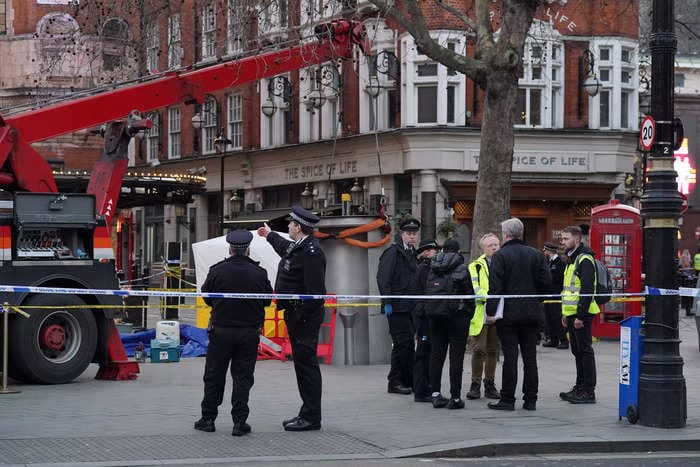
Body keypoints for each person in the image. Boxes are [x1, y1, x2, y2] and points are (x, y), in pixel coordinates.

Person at [195, 229, 273, 436]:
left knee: (214, 375)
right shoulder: (260, 273)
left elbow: (207, 297)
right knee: (243, 377)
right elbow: (267, 301)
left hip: (221, 332)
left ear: (229, 248)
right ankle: (239, 422)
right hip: (248, 333)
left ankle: (208, 419)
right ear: (248, 249)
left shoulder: (217, 270)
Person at [257, 206, 326, 431]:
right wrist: (269, 235)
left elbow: (316, 292)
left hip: (303, 316)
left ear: (298, 227)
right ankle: (306, 412)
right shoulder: (300, 247)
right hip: (296, 314)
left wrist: (302, 316)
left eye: (290, 224)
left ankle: (311, 417)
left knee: (307, 367)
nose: (288, 226)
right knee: (303, 367)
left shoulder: (311, 252)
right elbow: (284, 248)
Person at [485, 218, 550, 411]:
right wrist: (534, 301)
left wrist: (490, 312)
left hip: (509, 315)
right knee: (530, 359)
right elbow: (546, 284)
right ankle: (530, 400)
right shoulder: (537, 254)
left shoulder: (500, 256)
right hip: (531, 314)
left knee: (510, 358)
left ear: (505, 235)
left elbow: (495, 287)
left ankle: (507, 399)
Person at [377, 216, 421, 395]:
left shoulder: (411, 252)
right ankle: (395, 381)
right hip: (396, 307)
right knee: (403, 344)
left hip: (409, 307)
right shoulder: (393, 252)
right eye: (409, 233)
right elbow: (383, 278)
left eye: (414, 234)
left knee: (406, 344)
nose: (412, 237)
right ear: (402, 234)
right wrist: (387, 302)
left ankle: (403, 380)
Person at [426, 238, 471, 409]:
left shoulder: (433, 267)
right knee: (456, 357)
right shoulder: (462, 268)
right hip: (457, 317)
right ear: (458, 251)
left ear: (443, 250)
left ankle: (435, 394)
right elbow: (469, 295)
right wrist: (468, 313)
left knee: (436, 355)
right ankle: (455, 398)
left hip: (436, 316)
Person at [559, 225, 599, 404]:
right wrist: (564, 313)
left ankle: (588, 391)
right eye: (562, 238)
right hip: (571, 312)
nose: (563, 242)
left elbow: (587, 289)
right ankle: (580, 386)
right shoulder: (572, 259)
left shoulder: (584, 259)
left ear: (577, 239)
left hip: (582, 313)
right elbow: (568, 290)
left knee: (585, 351)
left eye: (566, 238)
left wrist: (580, 317)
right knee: (577, 351)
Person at [466, 233, 501, 400]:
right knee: (479, 349)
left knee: (493, 350)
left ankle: (490, 384)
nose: (494, 248)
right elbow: (476, 288)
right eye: (490, 245)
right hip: (482, 312)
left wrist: (496, 312)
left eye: (496, 244)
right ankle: (475, 384)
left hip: (499, 313)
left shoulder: (503, 263)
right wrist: (488, 310)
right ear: (483, 248)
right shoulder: (475, 266)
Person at [412, 238, 440, 403]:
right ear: (428, 252)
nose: (437, 253)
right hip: (424, 316)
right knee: (423, 353)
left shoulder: (427, 268)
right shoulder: (424, 269)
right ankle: (422, 391)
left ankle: (424, 387)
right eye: (435, 250)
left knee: (427, 352)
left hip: (426, 314)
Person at [542, 241, 568, 350]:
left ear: (549, 251)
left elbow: (558, 279)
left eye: (545, 250)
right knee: (549, 318)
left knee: (557, 318)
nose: (544, 252)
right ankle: (553, 340)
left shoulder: (559, 263)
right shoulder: (550, 262)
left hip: (556, 294)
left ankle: (563, 340)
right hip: (549, 294)